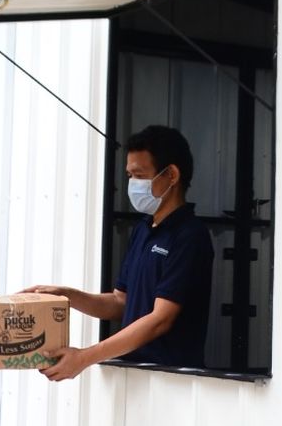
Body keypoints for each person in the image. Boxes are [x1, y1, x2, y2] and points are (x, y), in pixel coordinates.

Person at [27, 125, 215, 380]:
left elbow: (161, 319)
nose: (133, 184)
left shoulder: (190, 236)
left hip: (173, 379)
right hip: (134, 375)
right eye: (130, 176)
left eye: (140, 175)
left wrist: (85, 357)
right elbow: (119, 303)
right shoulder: (143, 229)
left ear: (171, 174)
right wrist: (65, 296)